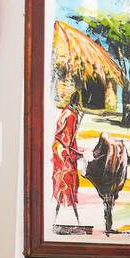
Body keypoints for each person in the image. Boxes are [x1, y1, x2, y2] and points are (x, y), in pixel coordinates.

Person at [51, 89, 84, 225]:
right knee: (67, 178)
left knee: (62, 178)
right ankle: (69, 215)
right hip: (64, 151)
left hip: (59, 149)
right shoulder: (71, 115)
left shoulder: (66, 111)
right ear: (77, 102)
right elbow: (67, 137)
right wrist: (72, 151)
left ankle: (58, 213)